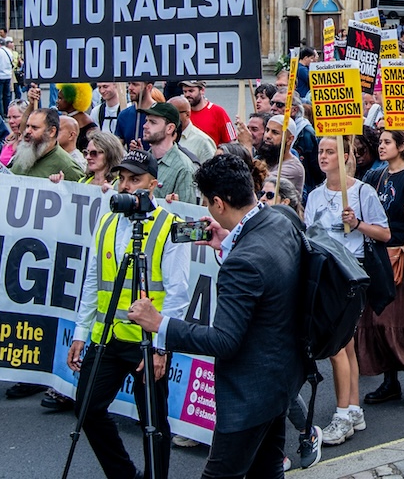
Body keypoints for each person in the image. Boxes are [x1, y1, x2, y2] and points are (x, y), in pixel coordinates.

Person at [128, 152, 306, 479]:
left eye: (207, 203)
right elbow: (265, 282)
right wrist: (227, 244)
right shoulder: (279, 219)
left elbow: (224, 340)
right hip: (280, 381)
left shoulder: (243, 261)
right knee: (266, 472)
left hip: (249, 395)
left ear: (219, 204)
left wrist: (159, 324)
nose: (207, 210)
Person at [70, 146, 189, 479]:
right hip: (108, 338)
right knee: (87, 410)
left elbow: (179, 293)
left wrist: (162, 348)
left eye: (135, 179)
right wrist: (81, 332)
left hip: (147, 344)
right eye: (121, 178)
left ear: (153, 185)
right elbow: (93, 280)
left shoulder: (169, 226)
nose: (125, 186)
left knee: (153, 422)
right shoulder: (107, 221)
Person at [305, 136, 388, 445]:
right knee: (347, 345)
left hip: (351, 273)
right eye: (321, 151)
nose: (323, 157)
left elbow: (384, 232)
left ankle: (341, 416)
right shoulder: (314, 195)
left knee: (336, 345)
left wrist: (358, 223)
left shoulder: (362, 191)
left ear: (345, 156)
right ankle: (353, 408)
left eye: (330, 152)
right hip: (324, 273)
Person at [357, 128, 404, 405]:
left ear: (402, 146)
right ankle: (390, 381)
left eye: (387, 142)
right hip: (377, 257)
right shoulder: (374, 176)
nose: (381, 146)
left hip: (403, 255)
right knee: (376, 320)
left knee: (394, 318)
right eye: (380, 142)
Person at [139, 102, 196, 202]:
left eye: (152, 122)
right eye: (146, 121)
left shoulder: (183, 168)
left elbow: (185, 213)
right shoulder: (140, 160)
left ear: (170, 128)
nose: (145, 126)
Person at [9, 108, 81, 179]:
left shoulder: (67, 167)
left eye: (34, 128)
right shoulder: (22, 155)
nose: (28, 131)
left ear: (51, 132)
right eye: (27, 126)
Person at [184, 81, 234, 147]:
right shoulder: (182, 113)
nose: (187, 95)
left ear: (202, 90)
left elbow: (231, 142)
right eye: (185, 91)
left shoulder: (218, 112)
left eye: (191, 91)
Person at [169, 96, 217, 164]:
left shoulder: (203, 141)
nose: (168, 117)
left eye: (172, 113)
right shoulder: (163, 136)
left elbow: (211, 171)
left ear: (187, 114)